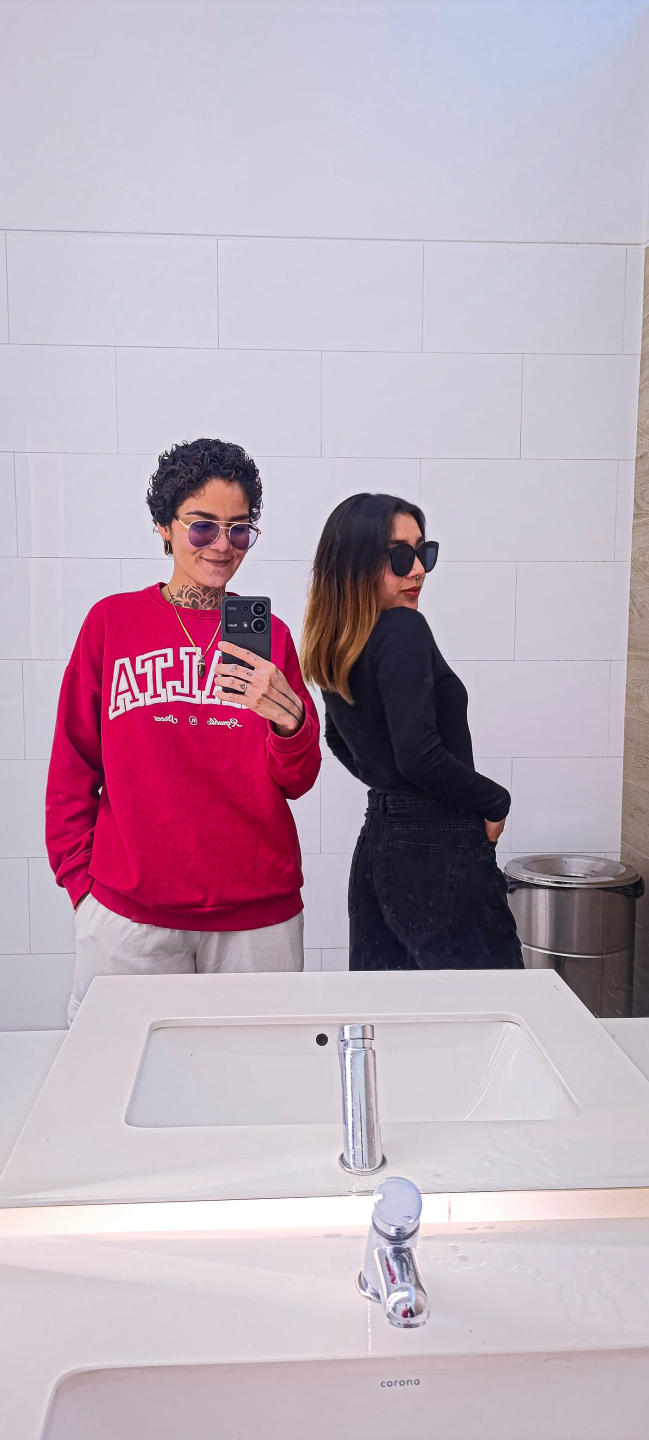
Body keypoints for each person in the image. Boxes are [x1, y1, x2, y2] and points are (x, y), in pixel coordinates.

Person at [46, 437, 320, 1022]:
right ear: (165, 527)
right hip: (129, 918)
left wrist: (291, 722)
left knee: (257, 1069)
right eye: (202, 527)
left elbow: (297, 779)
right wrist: (84, 889)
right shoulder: (112, 623)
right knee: (114, 1068)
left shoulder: (270, 637)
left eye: (239, 530)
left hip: (257, 920)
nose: (222, 545)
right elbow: (73, 762)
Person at [301, 492, 522, 971]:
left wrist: (393, 792)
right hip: (437, 842)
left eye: (424, 552)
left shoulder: (340, 641)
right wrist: (495, 801)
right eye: (401, 556)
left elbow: (339, 740)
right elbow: (419, 755)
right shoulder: (403, 628)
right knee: (488, 1000)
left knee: (387, 1007)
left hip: (379, 845)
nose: (419, 570)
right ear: (355, 564)